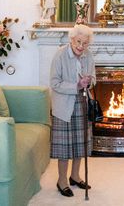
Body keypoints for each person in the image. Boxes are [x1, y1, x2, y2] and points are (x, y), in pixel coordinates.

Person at [50, 24, 95, 197]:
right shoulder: (60, 55)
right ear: (71, 39)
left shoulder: (88, 55)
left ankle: (75, 176)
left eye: (85, 43)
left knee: (79, 143)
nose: (81, 46)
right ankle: (62, 180)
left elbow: (94, 78)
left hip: (83, 102)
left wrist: (89, 81)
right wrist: (76, 85)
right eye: (78, 42)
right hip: (64, 105)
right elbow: (54, 83)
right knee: (65, 147)